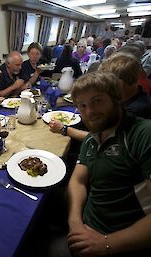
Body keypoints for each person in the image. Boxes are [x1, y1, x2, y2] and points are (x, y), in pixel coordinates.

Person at [49, 71, 151, 257]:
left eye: (97, 101)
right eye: (82, 105)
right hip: (86, 223)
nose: (89, 112)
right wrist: (75, 223)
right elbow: (78, 181)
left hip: (119, 241)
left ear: (116, 98)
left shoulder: (142, 134)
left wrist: (107, 243)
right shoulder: (93, 138)